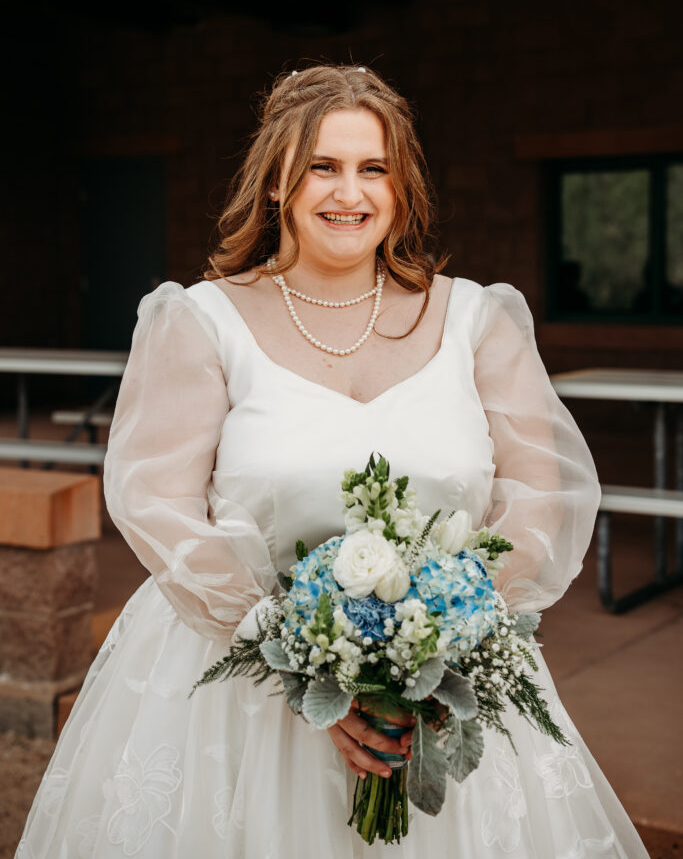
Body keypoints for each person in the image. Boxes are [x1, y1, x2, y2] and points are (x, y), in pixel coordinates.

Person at [17, 64, 649, 858]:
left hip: (440, 694)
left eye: (372, 168)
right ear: (277, 181)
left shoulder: (478, 319)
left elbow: (534, 498)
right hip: (238, 698)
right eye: (322, 166)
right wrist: (299, 661)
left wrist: (438, 655)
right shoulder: (199, 320)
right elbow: (155, 503)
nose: (348, 192)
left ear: (400, 186)